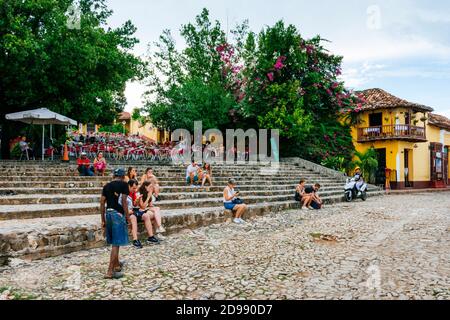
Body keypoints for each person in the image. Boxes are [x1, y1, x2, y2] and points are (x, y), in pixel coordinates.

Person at [100, 168, 130, 279]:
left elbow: (102, 203)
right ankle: (110, 271)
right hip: (118, 214)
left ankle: (117, 265)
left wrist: (102, 220)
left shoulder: (106, 186)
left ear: (114, 175)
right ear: (123, 176)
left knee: (113, 241)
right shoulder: (124, 185)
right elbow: (123, 202)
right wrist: (127, 217)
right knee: (116, 244)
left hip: (108, 213)